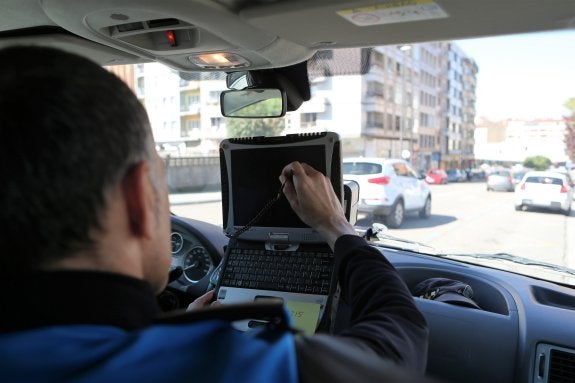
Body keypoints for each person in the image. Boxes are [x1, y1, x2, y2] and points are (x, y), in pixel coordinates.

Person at [0, 46, 429, 382]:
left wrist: (166, 332)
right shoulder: (256, 371)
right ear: (138, 199)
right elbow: (401, 335)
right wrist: (337, 226)